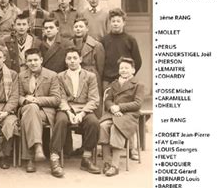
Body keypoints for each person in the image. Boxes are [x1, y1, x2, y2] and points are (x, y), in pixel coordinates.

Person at [101, 8, 142, 161]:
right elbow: (101, 60)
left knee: (127, 114)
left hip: (125, 81)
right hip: (108, 80)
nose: (116, 24)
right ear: (109, 23)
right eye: (113, 21)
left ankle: (132, 148)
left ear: (124, 23)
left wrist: (128, 78)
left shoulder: (130, 40)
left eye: (118, 21)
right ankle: (108, 146)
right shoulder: (104, 40)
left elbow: (138, 61)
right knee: (109, 110)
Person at [55, 48, 101, 177]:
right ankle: (55, 158)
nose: (72, 61)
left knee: (93, 123)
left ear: (80, 59)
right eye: (69, 58)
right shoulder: (60, 76)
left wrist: (82, 114)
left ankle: (86, 158)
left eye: (75, 58)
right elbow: (60, 97)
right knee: (60, 121)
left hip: (84, 108)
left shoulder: (90, 76)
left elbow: (94, 99)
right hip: (66, 108)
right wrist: (69, 113)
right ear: (65, 60)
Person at [99, 57, 145, 177]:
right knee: (103, 125)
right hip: (114, 113)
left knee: (116, 127)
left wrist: (119, 107)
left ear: (133, 70)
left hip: (129, 115)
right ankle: (107, 162)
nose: (124, 70)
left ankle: (115, 165)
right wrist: (112, 108)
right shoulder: (113, 84)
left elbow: (138, 104)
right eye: (121, 68)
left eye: (126, 68)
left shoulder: (138, 85)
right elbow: (108, 100)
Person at [18, 48, 61, 173]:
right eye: (30, 60)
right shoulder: (21, 76)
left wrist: (36, 100)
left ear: (41, 60)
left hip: (45, 113)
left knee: (29, 116)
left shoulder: (52, 75)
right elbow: (18, 97)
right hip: (27, 108)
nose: (33, 63)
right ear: (26, 62)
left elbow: (56, 99)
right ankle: (37, 146)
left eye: (35, 60)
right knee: (31, 110)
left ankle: (29, 159)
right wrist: (26, 100)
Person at [71, 17, 105, 110]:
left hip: (91, 75)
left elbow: (101, 67)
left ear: (87, 28)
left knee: (93, 100)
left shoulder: (96, 45)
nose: (78, 29)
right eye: (76, 26)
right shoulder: (69, 44)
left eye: (81, 26)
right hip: (73, 74)